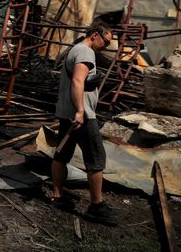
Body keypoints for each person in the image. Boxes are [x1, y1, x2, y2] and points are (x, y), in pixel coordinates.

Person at [50, 22, 118, 225]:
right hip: (82, 116)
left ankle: (57, 196)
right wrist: (80, 111)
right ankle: (96, 206)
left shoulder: (76, 49)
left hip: (67, 113)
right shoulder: (85, 52)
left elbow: (80, 81)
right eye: (106, 41)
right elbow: (78, 81)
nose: (107, 46)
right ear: (96, 35)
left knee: (61, 154)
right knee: (96, 158)